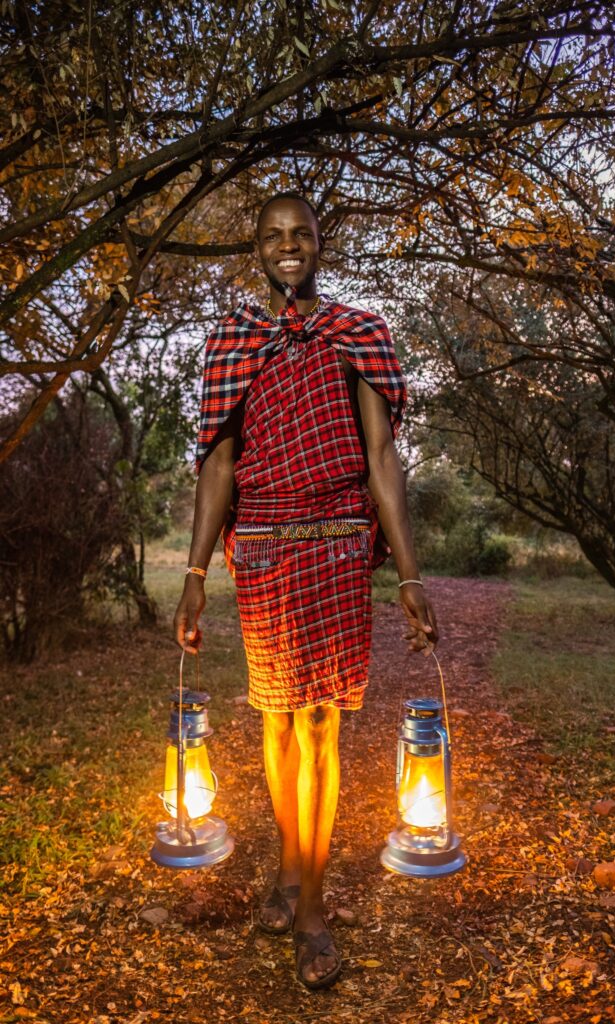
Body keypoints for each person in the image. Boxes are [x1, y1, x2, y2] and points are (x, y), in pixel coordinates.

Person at [174, 191, 438, 990]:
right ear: (256, 250)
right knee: (278, 722)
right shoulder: (234, 342)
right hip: (261, 554)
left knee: (320, 727)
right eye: (272, 236)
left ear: (321, 244)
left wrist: (410, 573)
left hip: (336, 547)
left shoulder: (357, 334)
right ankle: (291, 867)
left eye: (301, 234)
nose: (287, 246)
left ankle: (313, 909)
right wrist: (194, 577)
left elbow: (382, 458)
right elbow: (219, 465)